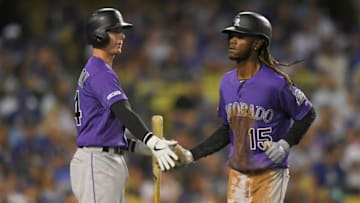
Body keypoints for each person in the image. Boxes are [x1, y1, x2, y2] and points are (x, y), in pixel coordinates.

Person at [174, 11, 316, 203]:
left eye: (240, 36)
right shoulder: (226, 82)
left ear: (257, 43)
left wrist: (285, 144)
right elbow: (227, 130)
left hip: (269, 173)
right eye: (231, 36)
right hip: (237, 173)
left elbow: (307, 113)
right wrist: (192, 154)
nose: (232, 40)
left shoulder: (276, 83)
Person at [69, 8, 178, 203]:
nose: (122, 36)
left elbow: (105, 133)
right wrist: (152, 140)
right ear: (99, 35)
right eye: (115, 31)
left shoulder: (98, 69)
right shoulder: (100, 71)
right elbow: (123, 111)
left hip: (103, 160)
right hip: (98, 163)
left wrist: (144, 147)